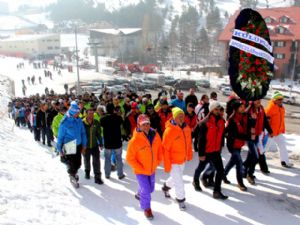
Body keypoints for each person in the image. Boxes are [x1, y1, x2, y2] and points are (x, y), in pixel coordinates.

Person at [126, 114, 163, 220]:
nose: (146, 126)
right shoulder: (134, 140)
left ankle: (139, 193)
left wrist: (157, 161)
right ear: (138, 125)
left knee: (151, 189)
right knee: (146, 190)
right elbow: (130, 158)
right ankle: (147, 208)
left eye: (147, 124)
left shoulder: (155, 135)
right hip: (140, 171)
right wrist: (139, 167)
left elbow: (159, 149)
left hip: (152, 168)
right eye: (143, 124)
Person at [193, 101, 228, 199]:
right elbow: (201, 140)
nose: (218, 111)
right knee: (201, 167)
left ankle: (217, 191)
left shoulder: (221, 121)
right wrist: (201, 154)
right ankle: (195, 181)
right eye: (216, 109)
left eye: (219, 109)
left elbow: (222, 134)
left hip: (216, 151)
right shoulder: (205, 123)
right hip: (206, 151)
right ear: (211, 110)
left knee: (220, 171)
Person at [162, 107, 193, 210]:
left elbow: (188, 144)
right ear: (174, 117)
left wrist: (188, 155)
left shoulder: (187, 128)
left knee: (176, 178)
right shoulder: (169, 131)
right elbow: (165, 149)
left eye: (182, 116)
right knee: (179, 181)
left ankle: (165, 187)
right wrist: (166, 164)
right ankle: (181, 199)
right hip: (173, 161)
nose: (181, 118)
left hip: (182, 159)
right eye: (179, 116)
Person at [56, 102, 87, 188]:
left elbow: (83, 133)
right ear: (73, 112)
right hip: (69, 145)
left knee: (78, 163)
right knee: (72, 163)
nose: (79, 114)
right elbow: (60, 137)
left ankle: (74, 172)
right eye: (77, 113)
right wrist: (59, 148)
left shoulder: (79, 120)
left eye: (79, 112)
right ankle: (72, 175)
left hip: (78, 144)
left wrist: (84, 145)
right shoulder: (64, 122)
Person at [243, 100, 273, 182]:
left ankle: (243, 169)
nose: (259, 103)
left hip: (257, 135)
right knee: (255, 157)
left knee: (251, 155)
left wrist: (270, 131)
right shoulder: (249, 110)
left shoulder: (261, 109)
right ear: (253, 102)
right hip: (250, 136)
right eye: (257, 101)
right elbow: (244, 118)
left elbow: (264, 121)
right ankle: (250, 174)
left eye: (260, 101)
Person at [223, 100, 248, 191]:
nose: (243, 108)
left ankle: (223, 175)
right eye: (241, 107)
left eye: (243, 107)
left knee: (232, 162)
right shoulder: (232, 119)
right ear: (236, 108)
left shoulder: (243, 116)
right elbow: (234, 134)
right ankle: (240, 182)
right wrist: (247, 137)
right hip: (232, 144)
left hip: (239, 144)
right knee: (239, 163)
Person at [265, 91, 293, 168]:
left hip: (278, 132)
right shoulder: (270, 108)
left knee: (283, 146)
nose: (281, 100)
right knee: (265, 148)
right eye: (279, 99)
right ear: (274, 100)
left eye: (282, 99)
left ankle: (284, 161)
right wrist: (267, 131)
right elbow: (266, 121)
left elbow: (281, 120)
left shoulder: (281, 108)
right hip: (271, 132)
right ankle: (256, 160)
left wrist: (282, 129)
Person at [100, 103, 125, 179]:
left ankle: (107, 174)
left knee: (107, 159)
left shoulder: (103, 119)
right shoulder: (118, 117)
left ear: (106, 109)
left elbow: (101, 125)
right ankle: (120, 174)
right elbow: (121, 122)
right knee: (119, 158)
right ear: (113, 109)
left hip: (108, 142)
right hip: (117, 142)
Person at [82, 107, 103, 184]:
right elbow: (80, 135)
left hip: (94, 145)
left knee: (96, 162)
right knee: (86, 160)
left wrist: (100, 143)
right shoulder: (82, 123)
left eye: (92, 113)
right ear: (86, 114)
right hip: (85, 146)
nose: (91, 115)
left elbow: (98, 134)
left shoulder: (96, 122)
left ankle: (97, 177)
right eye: (90, 113)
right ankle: (87, 172)